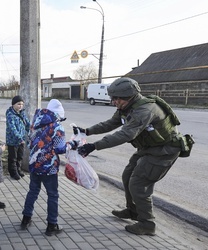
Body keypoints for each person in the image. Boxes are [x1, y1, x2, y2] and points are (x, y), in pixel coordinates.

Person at [76, 77, 183, 236]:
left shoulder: (145, 110)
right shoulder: (126, 107)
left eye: (116, 99)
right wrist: (87, 130)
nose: (113, 102)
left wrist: (94, 146)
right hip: (147, 148)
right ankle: (133, 211)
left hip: (164, 151)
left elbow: (125, 134)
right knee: (127, 176)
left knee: (138, 184)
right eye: (112, 98)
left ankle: (147, 223)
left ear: (128, 97)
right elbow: (111, 123)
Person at [21, 99, 77, 236]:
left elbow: (29, 144)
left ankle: (26, 219)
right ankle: (52, 225)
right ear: (58, 114)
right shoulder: (57, 127)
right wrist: (72, 144)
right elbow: (60, 149)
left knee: (33, 191)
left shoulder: (35, 123)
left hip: (34, 164)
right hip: (49, 167)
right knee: (52, 195)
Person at [5, 95, 30, 180]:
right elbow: (12, 128)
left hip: (21, 140)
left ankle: (18, 170)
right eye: (18, 104)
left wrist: (31, 130)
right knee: (13, 158)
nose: (20, 106)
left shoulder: (22, 113)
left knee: (20, 156)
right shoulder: (10, 114)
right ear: (13, 104)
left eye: (22, 104)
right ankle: (13, 172)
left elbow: (27, 124)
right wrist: (19, 138)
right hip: (13, 140)